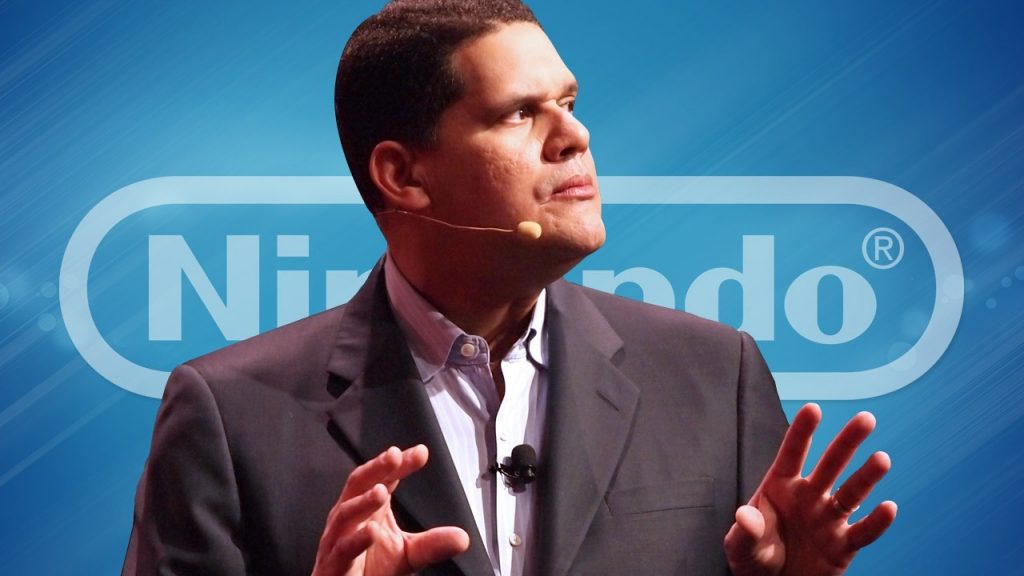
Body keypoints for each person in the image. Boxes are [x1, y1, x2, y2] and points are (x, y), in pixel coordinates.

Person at [123, 1, 896, 574]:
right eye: (521, 113)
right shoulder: (231, 416)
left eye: (569, 104)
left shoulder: (714, 376)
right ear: (403, 175)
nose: (575, 136)